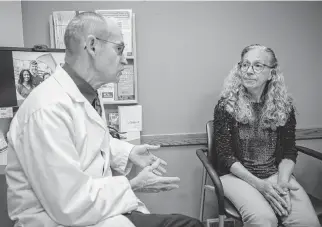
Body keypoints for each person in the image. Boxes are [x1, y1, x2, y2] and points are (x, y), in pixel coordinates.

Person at [5, 12, 203, 227]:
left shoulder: (85, 94)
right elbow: (69, 204)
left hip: (93, 214)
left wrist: (128, 152)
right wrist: (133, 184)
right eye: (119, 49)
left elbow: (88, 142)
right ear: (92, 46)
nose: (125, 59)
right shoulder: (47, 110)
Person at [212, 44, 320, 227]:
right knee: (264, 220)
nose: (249, 71)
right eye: (244, 65)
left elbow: (289, 152)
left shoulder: (284, 106)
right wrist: (260, 186)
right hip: (237, 176)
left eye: (257, 65)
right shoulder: (226, 106)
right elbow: (225, 157)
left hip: (275, 175)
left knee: (307, 222)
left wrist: (282, 183)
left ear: (272, 73)